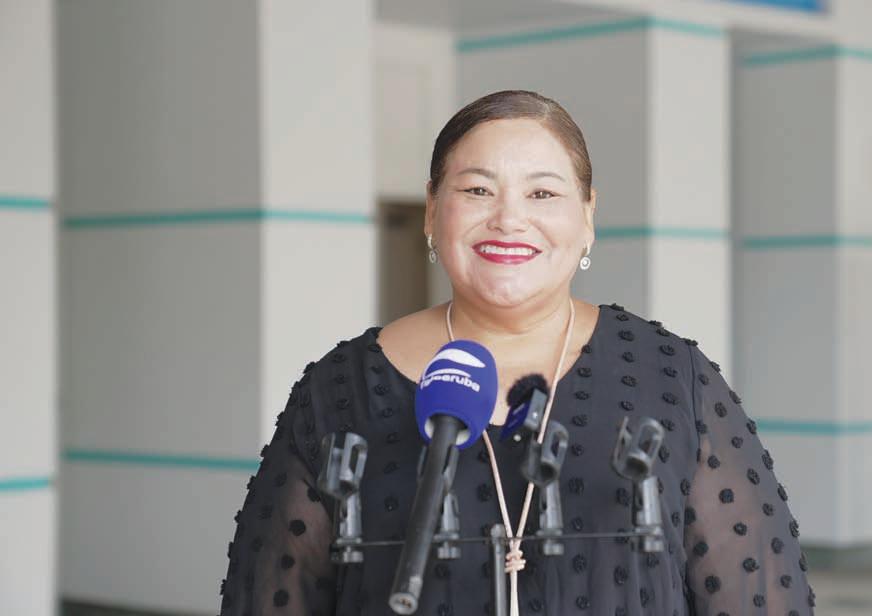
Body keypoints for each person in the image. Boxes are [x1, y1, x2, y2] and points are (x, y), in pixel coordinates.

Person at [219, 90, 815, 615]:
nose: (509, 219)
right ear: (432, 209)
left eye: (542, 193)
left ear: (587, 216)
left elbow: (762, 595)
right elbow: (267, 597)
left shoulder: (671, 376)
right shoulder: (338, 390)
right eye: (477, 190)